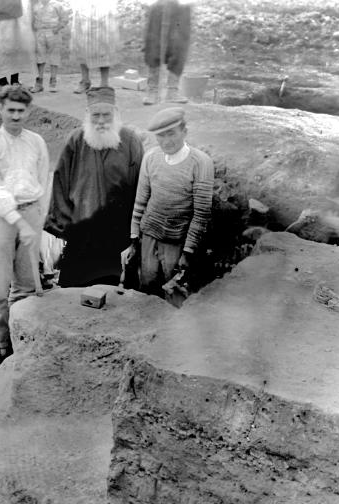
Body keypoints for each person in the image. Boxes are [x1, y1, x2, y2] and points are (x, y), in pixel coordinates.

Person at [0, 86, 50, 377]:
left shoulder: (36, 142)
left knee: (27, 287)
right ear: (0, 109)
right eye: (11, 110)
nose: (16, 116)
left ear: (28, 111)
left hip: (30, 213)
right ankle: (1, 349)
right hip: (1, 218)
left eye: (21, 111)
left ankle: (23, 345)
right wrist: (18, 222)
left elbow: (42, 180)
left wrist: (36, 218)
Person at [45, 86, 144, 287]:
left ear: (116, 113)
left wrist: (135, 235)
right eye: (95, 115)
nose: (101, 121)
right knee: (74, 292)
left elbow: (140, 188)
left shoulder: (130, 141)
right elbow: (60, 184)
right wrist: (65, 228)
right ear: (87, 114)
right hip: (82, 233)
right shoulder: (75, 140)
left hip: (118, 234)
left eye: (106, 115)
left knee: (115, 293)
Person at [125, 107, 214, 297]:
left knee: (174, 292)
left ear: (184, 132)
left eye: (171, 133)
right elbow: (140, 200)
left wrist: (188, 252)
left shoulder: (201, 163)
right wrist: (134, 238)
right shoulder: (151, 157)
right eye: (160, 135)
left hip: (177, 242)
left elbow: (201, 215)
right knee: (147, 286)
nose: (166, 141)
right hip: (149, 236)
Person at [142, 0, 192, 105]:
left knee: (179, 44)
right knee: (154, 43)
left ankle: (172, 91)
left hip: (181, 5)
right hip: (159, 5)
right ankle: (152, 90)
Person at [69, 0, 120, 94]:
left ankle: (104, 84)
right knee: (82, 48)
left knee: (103, 50)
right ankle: (85, 81)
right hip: (83, 13)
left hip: (103, 16)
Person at [0, 0, 37, 90]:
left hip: (13, 13)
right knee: (1, 48)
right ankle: (3, 81)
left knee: (14, 46)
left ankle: (14, 80)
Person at [30, 0, 67, 93]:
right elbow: (32, 20)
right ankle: (39, 83)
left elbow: (64, 18)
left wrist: (58, 28)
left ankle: (53, 83)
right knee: (39, 57)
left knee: (54, 56)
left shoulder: (56, 5)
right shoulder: (36, 5)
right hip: (40, 32)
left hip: (53, 32)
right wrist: (34, 29)